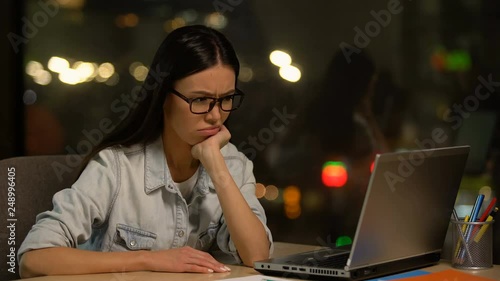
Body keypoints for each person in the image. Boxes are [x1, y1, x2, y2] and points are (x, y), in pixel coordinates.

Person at [18, 25, 273, 278]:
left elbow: (258, 256)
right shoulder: (116, 166)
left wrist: (216, 166)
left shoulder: (232, 163)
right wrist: (149, 259)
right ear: (163, 96)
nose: (216, 116)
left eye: (226, 99)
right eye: (200, 100)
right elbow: (35, 257)